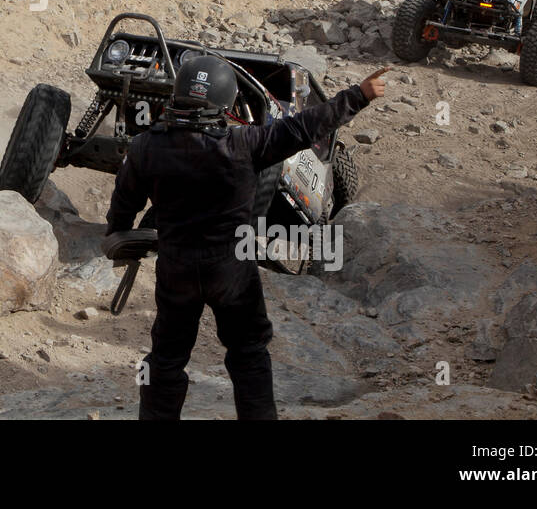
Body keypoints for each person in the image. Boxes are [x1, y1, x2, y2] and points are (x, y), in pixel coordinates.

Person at [104, 54, 388, 420]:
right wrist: (358, 95)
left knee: (166, 360)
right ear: (225, 100)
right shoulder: (246, 143)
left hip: (177, 270)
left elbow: (121, 211)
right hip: (232, 271)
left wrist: (120, 237)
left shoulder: (146, 146)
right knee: (249, 354)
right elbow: (305, 127)